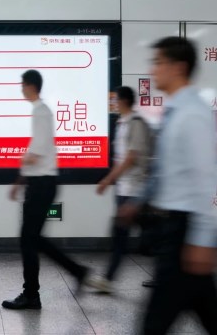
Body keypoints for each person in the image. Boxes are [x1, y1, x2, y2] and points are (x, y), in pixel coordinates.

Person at [121, 37, 217, 334]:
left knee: (154, 324)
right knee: (212, 317)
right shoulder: (175, 111)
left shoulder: (193, 114)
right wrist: (139, 201)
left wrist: (203, 239)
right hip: (173, 229)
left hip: (185, 231)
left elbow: (205, 177)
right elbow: (165, 170)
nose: (152, 70)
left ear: (179, 67)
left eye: (158, 62)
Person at [2, 70, 89, 310]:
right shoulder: (41, 111)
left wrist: (22, 162)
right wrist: (21, 180)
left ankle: (31, 295)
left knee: (28, 240)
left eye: (22, 84)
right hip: (41, 184)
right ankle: (76, 271)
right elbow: (38, 152)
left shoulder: (41, 112)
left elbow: (38, 151)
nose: (21, 89)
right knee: (34, 239)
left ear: (31, 86)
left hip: (42, 185)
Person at [87, 86, 152, 294]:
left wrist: (108, 179)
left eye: (115, 99)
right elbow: (121, 158)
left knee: (128, 234)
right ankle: (109, 279)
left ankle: (108, 279)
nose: (112, 103)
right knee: (126, 235)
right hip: (124, 188)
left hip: (136, 190)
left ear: (123, 101)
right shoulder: (122, 123)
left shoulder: (136, 123)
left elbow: (131, 158)